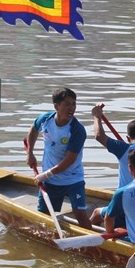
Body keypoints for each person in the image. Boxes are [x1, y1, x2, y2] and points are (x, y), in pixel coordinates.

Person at [25, 88, 93, 229]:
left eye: (74, 104)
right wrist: (30, 153)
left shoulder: (77, 130)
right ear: (56, 106)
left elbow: (70, 159)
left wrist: (46, 174)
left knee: (80, 214)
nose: (72, 108)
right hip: (51, 182)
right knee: (44, 216)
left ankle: (94, 245)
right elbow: (33, 129)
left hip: (73, 179)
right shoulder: (45, 119)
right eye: (67, 104)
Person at [89, 104, 135, 224]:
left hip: (128, 203)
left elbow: (99, 136)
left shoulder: (125, 149)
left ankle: (89, 238)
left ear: (128, 138)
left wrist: (97, 116)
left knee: (96, 213)